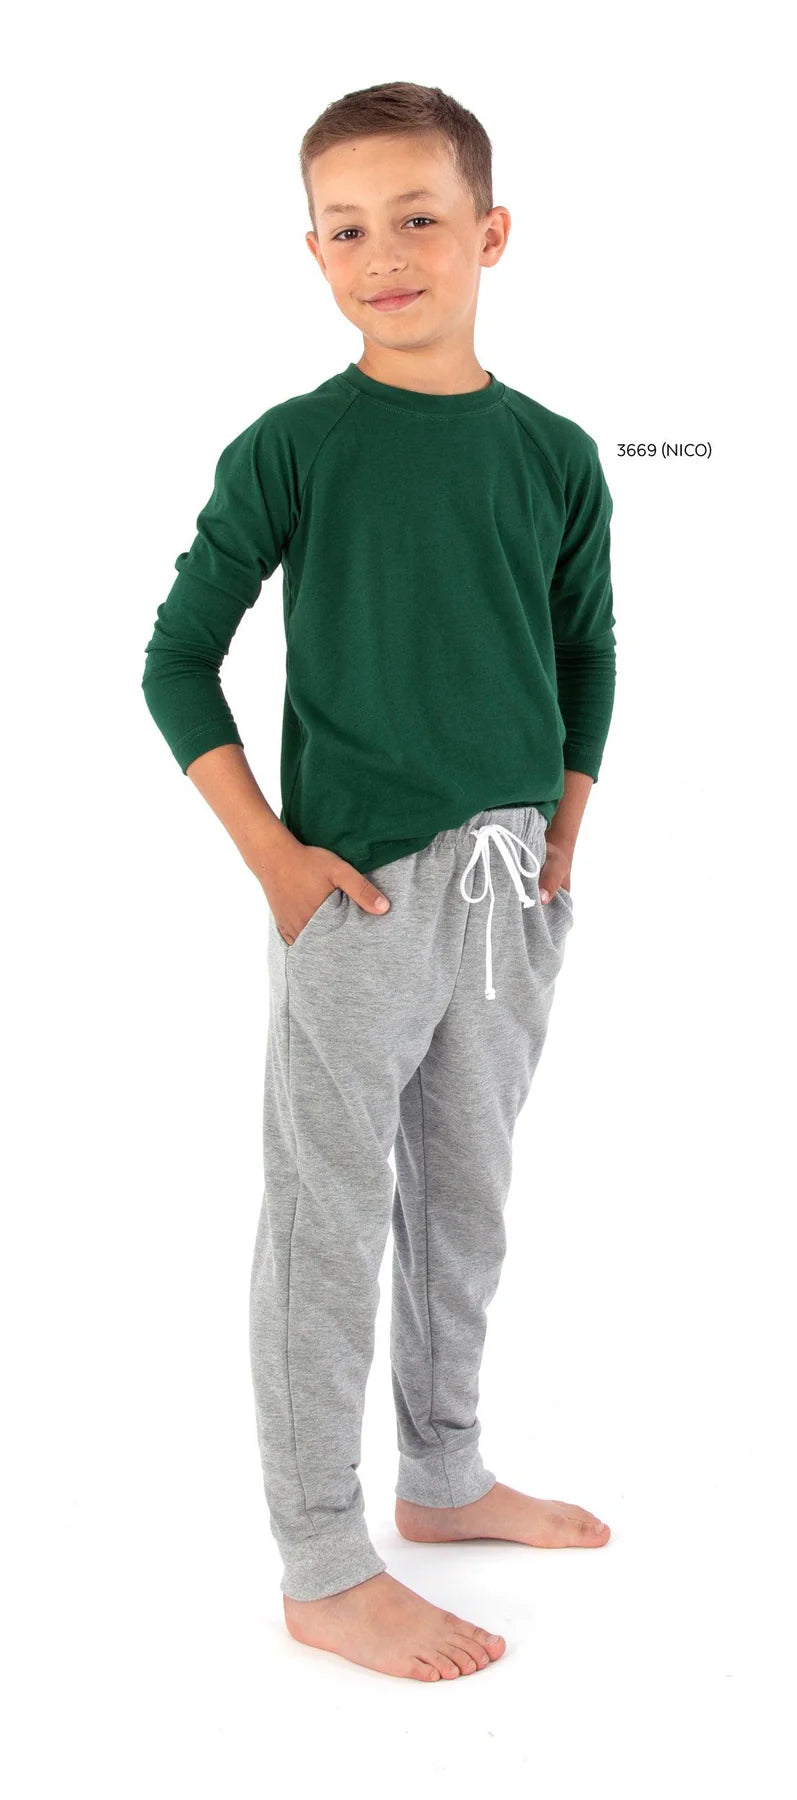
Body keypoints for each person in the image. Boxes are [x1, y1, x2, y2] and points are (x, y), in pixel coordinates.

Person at [141, 80, 616, 1684]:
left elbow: (584, 649)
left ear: (489, 232)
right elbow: (175, 662)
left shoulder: (553, 453)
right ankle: (321, 1562)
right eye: (346, 229)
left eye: (418, 217)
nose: (384, 253)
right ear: (313, 254)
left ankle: (444, 1472)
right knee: (327, 1221)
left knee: (466, 1201)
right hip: (355, 897)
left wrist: (563, 824)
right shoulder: (296, 447)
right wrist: (273, 860)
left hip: (508, 892)